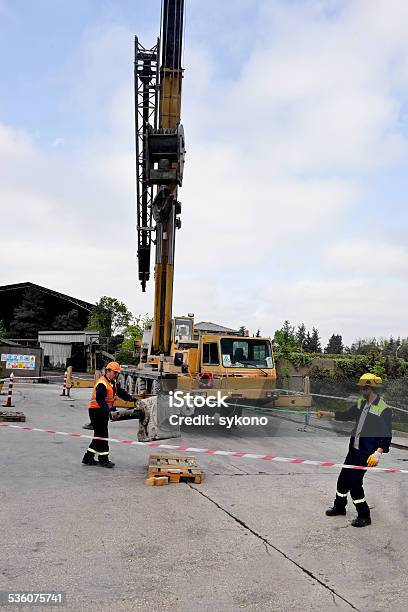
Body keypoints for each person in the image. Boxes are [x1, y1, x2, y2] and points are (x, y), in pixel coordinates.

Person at [317, 373, 392, 527]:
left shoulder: (384, 409)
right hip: (354, 450)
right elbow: (346, 415)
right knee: (343, 479)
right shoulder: (361, 403)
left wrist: (377, 453)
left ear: (369, 388)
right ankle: (339, 507)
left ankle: (364, 516)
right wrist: (328, 414)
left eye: (362, 388)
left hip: (366, 452)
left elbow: (387, 435)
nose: (360, 390)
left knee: (354, 482)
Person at [82, 362, 143, 468]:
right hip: (96, 411)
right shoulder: (102, 383)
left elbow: (119, 392)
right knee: (103, 436)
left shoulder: (112, 382)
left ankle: (88, 457)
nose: (115, 375)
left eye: (117, 373)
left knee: (99, 436)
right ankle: (103, 460)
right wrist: (108, 410)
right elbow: (100, 399)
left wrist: (131, 399)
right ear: (107, 371)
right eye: (114, 373)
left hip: (102, 411)